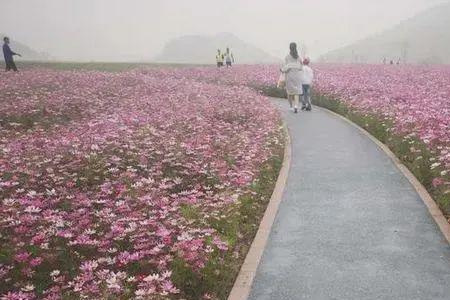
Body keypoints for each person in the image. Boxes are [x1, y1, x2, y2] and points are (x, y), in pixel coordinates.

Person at [281, 42, 303, 113]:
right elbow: (300, 68)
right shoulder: (298, 57)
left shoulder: (287, 57)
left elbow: (286, 68)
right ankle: (296, 106)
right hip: (297, 76)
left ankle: (291, 107)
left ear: (289, 48)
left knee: (289, 93)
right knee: (296, 92)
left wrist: (281, 70)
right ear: (296, 47)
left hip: (289, 76)